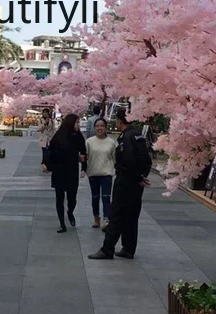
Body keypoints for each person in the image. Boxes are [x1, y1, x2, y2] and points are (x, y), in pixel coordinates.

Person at [88, 109, 152, 260]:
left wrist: (136, 177)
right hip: (136, 183)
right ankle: (128, 249)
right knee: (131, 216)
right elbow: (147, 160)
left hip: (126, 181)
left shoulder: (126, 137)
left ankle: (107, 248)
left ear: (120, 121)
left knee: (116, 214)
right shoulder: (138, 135)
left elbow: (128, 160)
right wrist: (142, 177)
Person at [43, 113, 87, 233]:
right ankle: (62, 224)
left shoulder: (78, 136)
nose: (79, 125)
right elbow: (50, 149)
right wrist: (45, 163)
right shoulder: (59, 135)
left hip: (72, 171)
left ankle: (70, 212)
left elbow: (84, 153)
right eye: (77, 122)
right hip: (59, 170)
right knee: (59, 198)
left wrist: (84, 167)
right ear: (70, 123)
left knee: (72, 198)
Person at [85, 117, 115, 230]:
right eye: (97, 126)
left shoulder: (111, 142)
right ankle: (96, 217)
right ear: (94, 128)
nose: (99, 128)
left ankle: (106, 220)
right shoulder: (89, 142)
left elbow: (115, 158)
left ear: (106, 127)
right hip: (93, 173)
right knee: (95, 197)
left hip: (106, 173)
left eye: (102, 126)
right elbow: (84, 157)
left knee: (106, 197)